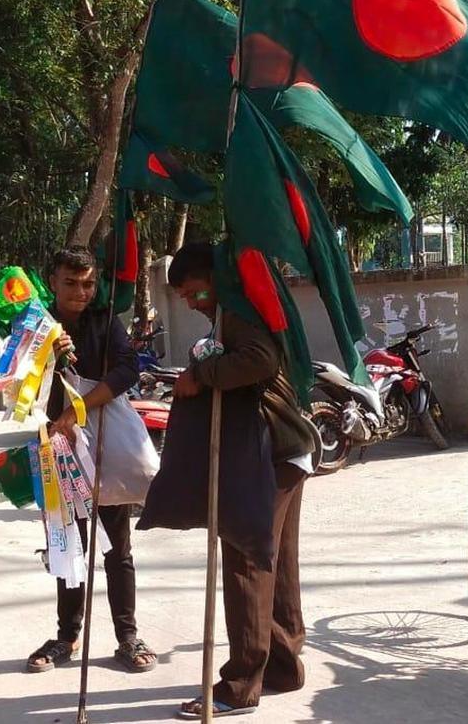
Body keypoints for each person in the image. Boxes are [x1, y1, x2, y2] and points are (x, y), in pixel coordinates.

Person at [168, 241, 315, 720]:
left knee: (247, 557)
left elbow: (258, 362)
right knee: (275, 561)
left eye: (193, 292)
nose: (190, 303)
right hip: (287, 450)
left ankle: (239, 684)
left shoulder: (237, 311)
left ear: (213, 277)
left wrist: (202, 375)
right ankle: (284, 667)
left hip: (272, 451)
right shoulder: (233, 310)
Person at [26, 245, 157, 674]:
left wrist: (78, 409)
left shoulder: (105, 321)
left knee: (117, 548)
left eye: (87, 283)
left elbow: (127, 369)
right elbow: (14, 383)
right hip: (59, 452)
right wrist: (45, 352)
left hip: (104, 447)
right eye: (70, 283)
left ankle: (128, 636)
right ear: (52, 282)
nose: (81, 292)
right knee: (68, 546)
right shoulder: (35, 324)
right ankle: (66, 636)